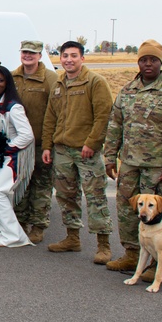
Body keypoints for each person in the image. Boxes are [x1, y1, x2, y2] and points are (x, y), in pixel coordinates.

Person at [104, 39, 162, 278]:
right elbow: (115, 124)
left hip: (159, 167)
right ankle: (132, 254)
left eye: (153, 60)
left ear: (160, 62)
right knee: (126, 209)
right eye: (143, 59)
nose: (148, 64)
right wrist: (110, 156)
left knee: (159, 214)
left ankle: (156, 265)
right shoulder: (128, 90)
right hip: (131, 163)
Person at [41, 40, 114, 261]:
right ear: (60, 58)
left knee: (95, 197)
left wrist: (92, 143)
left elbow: (103, 115)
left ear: (82, 58)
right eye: (65, 56)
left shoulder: (95, 82)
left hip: (86, 152)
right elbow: (50, 117)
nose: (69, 60)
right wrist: (47, 145)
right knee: (66, 196)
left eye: (74, 56)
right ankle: (72, 238)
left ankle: (103, 245)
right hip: (62, 151)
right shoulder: (58, 83)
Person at [0, 66, 35, 248]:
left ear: (7, 83)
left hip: (13, 158)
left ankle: (14, 235)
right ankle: (1, 231)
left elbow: (27, 135)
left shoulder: (13, 107)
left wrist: (6, 148)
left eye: (0, 80)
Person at [11, 40, 58, 243]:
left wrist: (48, 144)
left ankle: (38, 226)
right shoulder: (14, 77)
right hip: (20, 144)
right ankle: (20, 223)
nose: (28, 56)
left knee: (41, 186)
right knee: (21, 185)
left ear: (40, 55)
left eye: (33, 53)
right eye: (25, 52)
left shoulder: (50, 79)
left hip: (41, 143)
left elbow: (54, 113)